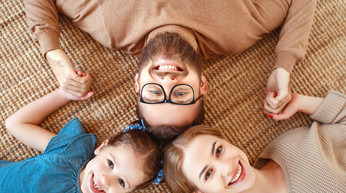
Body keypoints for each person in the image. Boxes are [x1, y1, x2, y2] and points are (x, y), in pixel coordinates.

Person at [24, 0, 317, 139]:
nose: (167, 80)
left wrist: (54, 54)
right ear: (202, 85)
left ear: (137, 83)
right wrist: (284, 66)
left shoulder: (109, 27)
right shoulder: (237, 32)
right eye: (179, 95)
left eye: (154, 93)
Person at [163, 91, 346, 193]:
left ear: (228, 142)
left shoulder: (294, 147)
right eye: (208, 174)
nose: (226, 168)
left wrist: (299, 101)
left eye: (219, 151)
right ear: (202, 192)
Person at [2, 70, 161, 193]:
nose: (105, 180)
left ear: (129, 192)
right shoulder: (68, 152)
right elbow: (15, 123)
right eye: (110, 164)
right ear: (101, 147)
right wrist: (63, 94)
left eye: (121, 182)